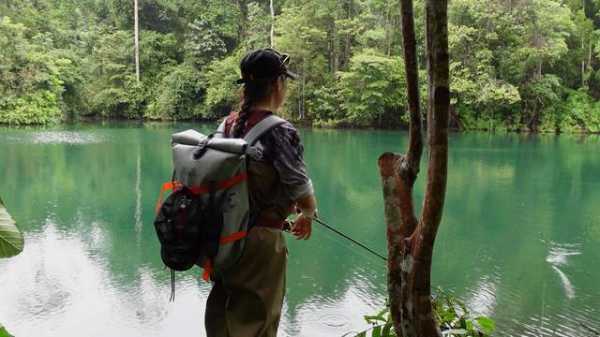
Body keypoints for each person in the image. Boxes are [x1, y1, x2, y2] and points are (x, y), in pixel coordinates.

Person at [204, 48, 318, 337]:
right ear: (278, 84)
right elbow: (300, 187)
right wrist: (307, 212)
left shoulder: (227, 125)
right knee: (257, 322)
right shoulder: (279, 130)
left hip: (223, 236)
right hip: (259, 242)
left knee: (223, 313)